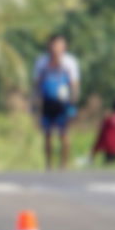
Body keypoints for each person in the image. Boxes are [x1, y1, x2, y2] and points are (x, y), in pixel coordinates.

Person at [32, 34, 80, 170]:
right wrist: (35, 101)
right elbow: (37, 83)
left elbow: (74, 83)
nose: (57, 48)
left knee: (63, 133)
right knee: (47, 134)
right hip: (47, 102)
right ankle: (49, 164)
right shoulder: (42, 62)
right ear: (49, 46)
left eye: (60, 45)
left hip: (63, 103)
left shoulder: (69, 62)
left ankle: (63, 163)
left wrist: (73, 102)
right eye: (55, 45)